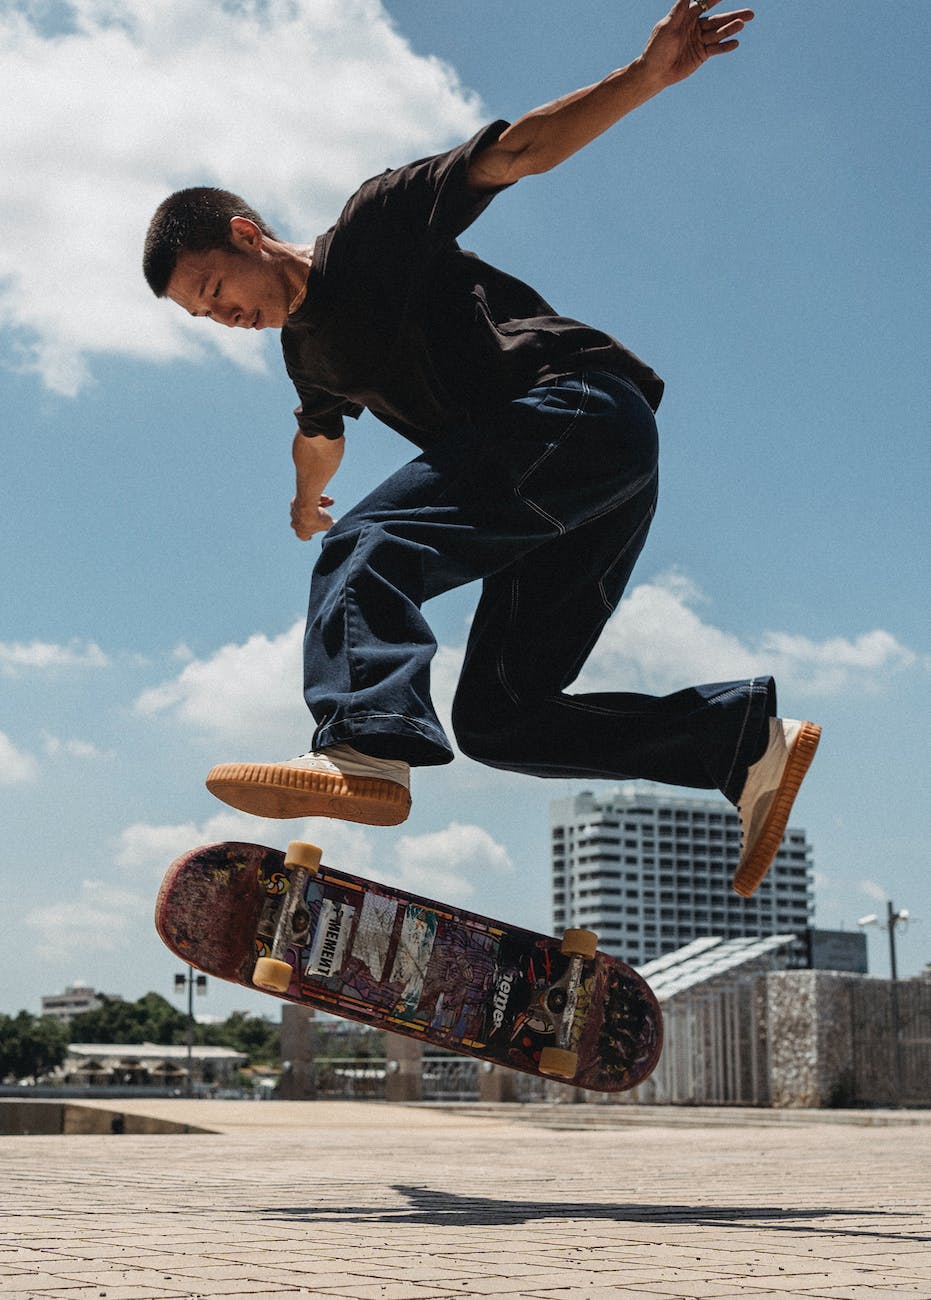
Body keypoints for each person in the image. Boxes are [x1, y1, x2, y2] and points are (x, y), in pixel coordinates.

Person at [143, 0, 820, 899]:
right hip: (570, 496)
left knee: (371, 549)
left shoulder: (375, 224)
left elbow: (516, 152)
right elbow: (317, 432)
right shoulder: (306, 353)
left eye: (215, 287)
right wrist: (308, 502)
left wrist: (645, 75)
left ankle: (367, 747)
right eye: (206, 314)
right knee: (503, 721)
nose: (224, 314)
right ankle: (736, 745)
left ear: (246, 234)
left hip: (576, 413)